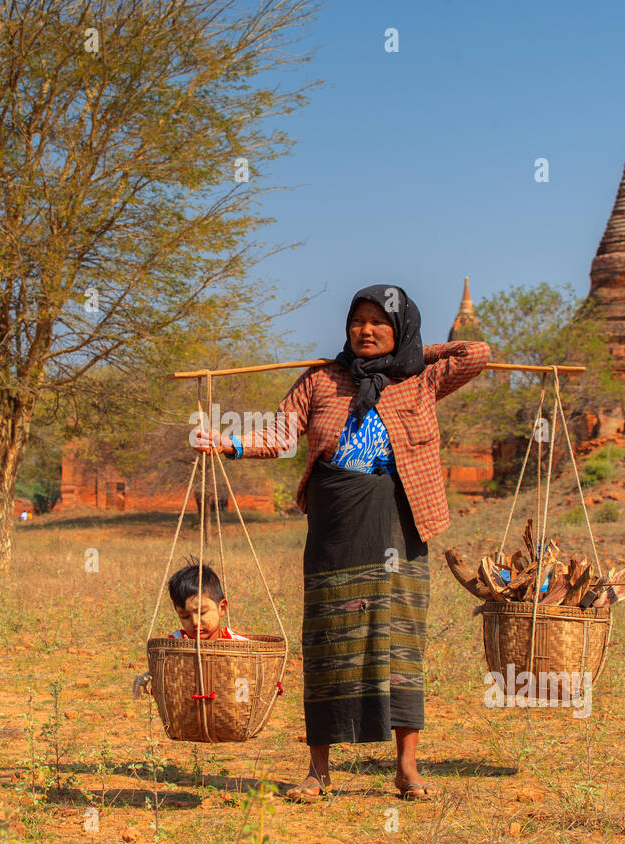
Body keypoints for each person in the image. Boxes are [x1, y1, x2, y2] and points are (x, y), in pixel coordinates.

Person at [192, 284, 490, 801]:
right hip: (336, 521)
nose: (366, 330)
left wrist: (415, 354)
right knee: (330, 643)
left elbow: (476, 352)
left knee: (400, 643)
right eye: (359, 322)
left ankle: (407, 768)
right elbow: (281, 435)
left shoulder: (420, 380)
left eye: (380, 322)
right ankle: (318, 772)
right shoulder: (321, 381)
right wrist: (230, 442)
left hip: (399, 520)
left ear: (400, 330)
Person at [166, 561, 247, 641]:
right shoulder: (174, 642)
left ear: (222, 608)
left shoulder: (240, 644)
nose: (195, 622)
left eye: (202, 612)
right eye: (185, 616)